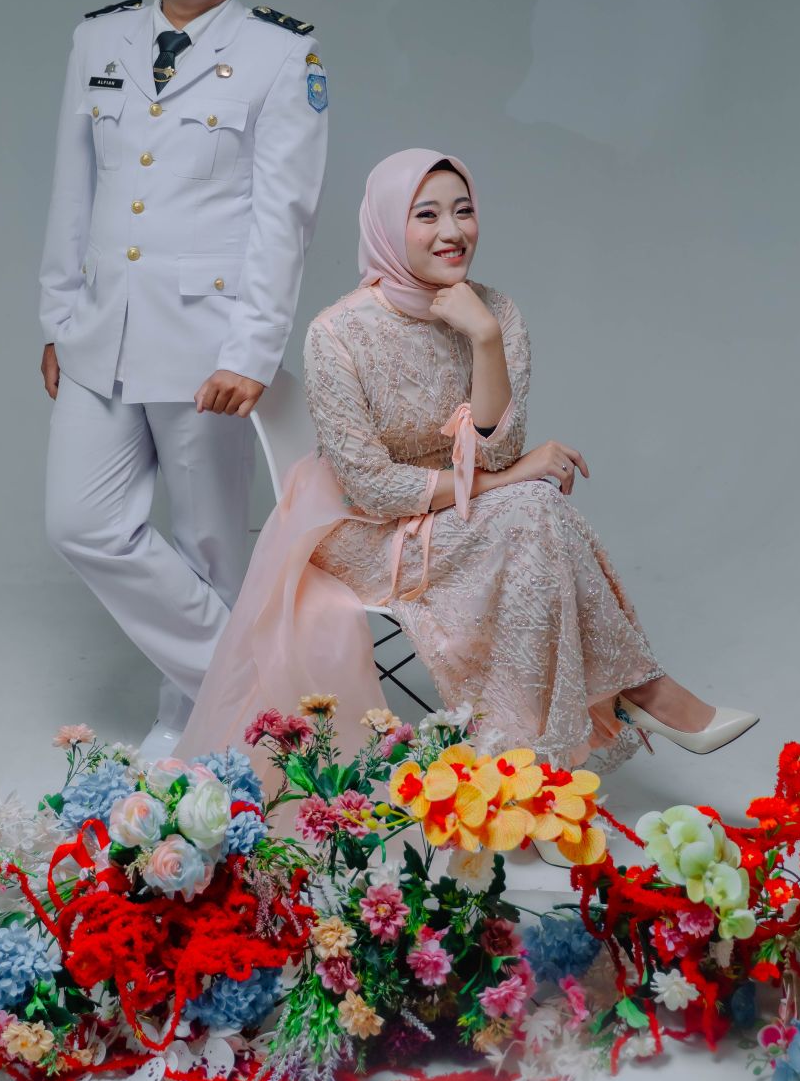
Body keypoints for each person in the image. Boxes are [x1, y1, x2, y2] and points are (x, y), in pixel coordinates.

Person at [179, 147, 757, 780]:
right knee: (531, 508)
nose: (452, 231)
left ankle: (529, 761)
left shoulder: (496, 314)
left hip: (472, 512)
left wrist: (484, 339)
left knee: (533, 514)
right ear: (386, 225)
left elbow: (499, 448)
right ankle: (626, 703)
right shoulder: (336, 333)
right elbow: (372, 487)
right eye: (426, 215)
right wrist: (508, 480)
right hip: (363, 529)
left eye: (464, 211)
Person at [38, 0, 329, 757]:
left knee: (211, 548)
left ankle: (189, 724)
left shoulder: (280, 55)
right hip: (100, 332)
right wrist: (58, 318)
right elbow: (74, 190)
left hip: (207, 342)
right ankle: (255, 698)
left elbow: (284, 217)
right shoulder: (98, 40)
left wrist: (252, 350)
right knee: (82, 522)